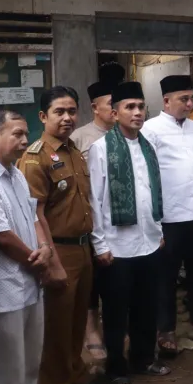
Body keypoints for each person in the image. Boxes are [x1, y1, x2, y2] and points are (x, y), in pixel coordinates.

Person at [18, 86, 112, 384]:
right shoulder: (35, 157)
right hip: (57, 249)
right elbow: (34, 213)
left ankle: (76, 377)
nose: (67, 118)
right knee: (56, 328)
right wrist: (51, 258)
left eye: (72, 111)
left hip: (82, 247)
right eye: (59, 112)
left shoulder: (73, 151)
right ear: (43, 117)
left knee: (75, 322)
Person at [0, 110, 67, 384]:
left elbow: (34, 218)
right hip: (5, 288)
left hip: (32, 281)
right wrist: (36, 258)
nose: (24, 140)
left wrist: (45, 250)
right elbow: (0, 235)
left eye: (24, 133)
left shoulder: (16, 174)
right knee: (6, 366)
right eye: (16, 134)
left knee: (31, 359)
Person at [88, 81, 171, 384]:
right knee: (116, 311)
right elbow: (95, 200)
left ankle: (143, 359)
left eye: (140, 107)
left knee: (146, 306)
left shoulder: (147, 144)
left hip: (149, 241)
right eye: (130, 107)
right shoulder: (101, 148)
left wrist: (158, 232)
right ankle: (116, 369)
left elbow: (152, 192)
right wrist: (100, 244)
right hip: (116, 246)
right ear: (114, 112)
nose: (137, 113)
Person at [142, 75, 193, 360]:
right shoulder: (150, 130)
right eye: (184, 99)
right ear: (166, 101)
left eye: (192, 98)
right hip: (167, 217)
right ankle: (166, 328)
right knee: (166, 277)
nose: (190, 104)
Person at [71, 61, 124, 362]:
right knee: (92, 278)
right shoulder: (80, 137)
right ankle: (92, 329)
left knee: (115, 276)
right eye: (111, 105)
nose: (116, 111)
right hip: (90, 216)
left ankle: (116, 326)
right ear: (95, 107)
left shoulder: (126, 134)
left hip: (119, 217)